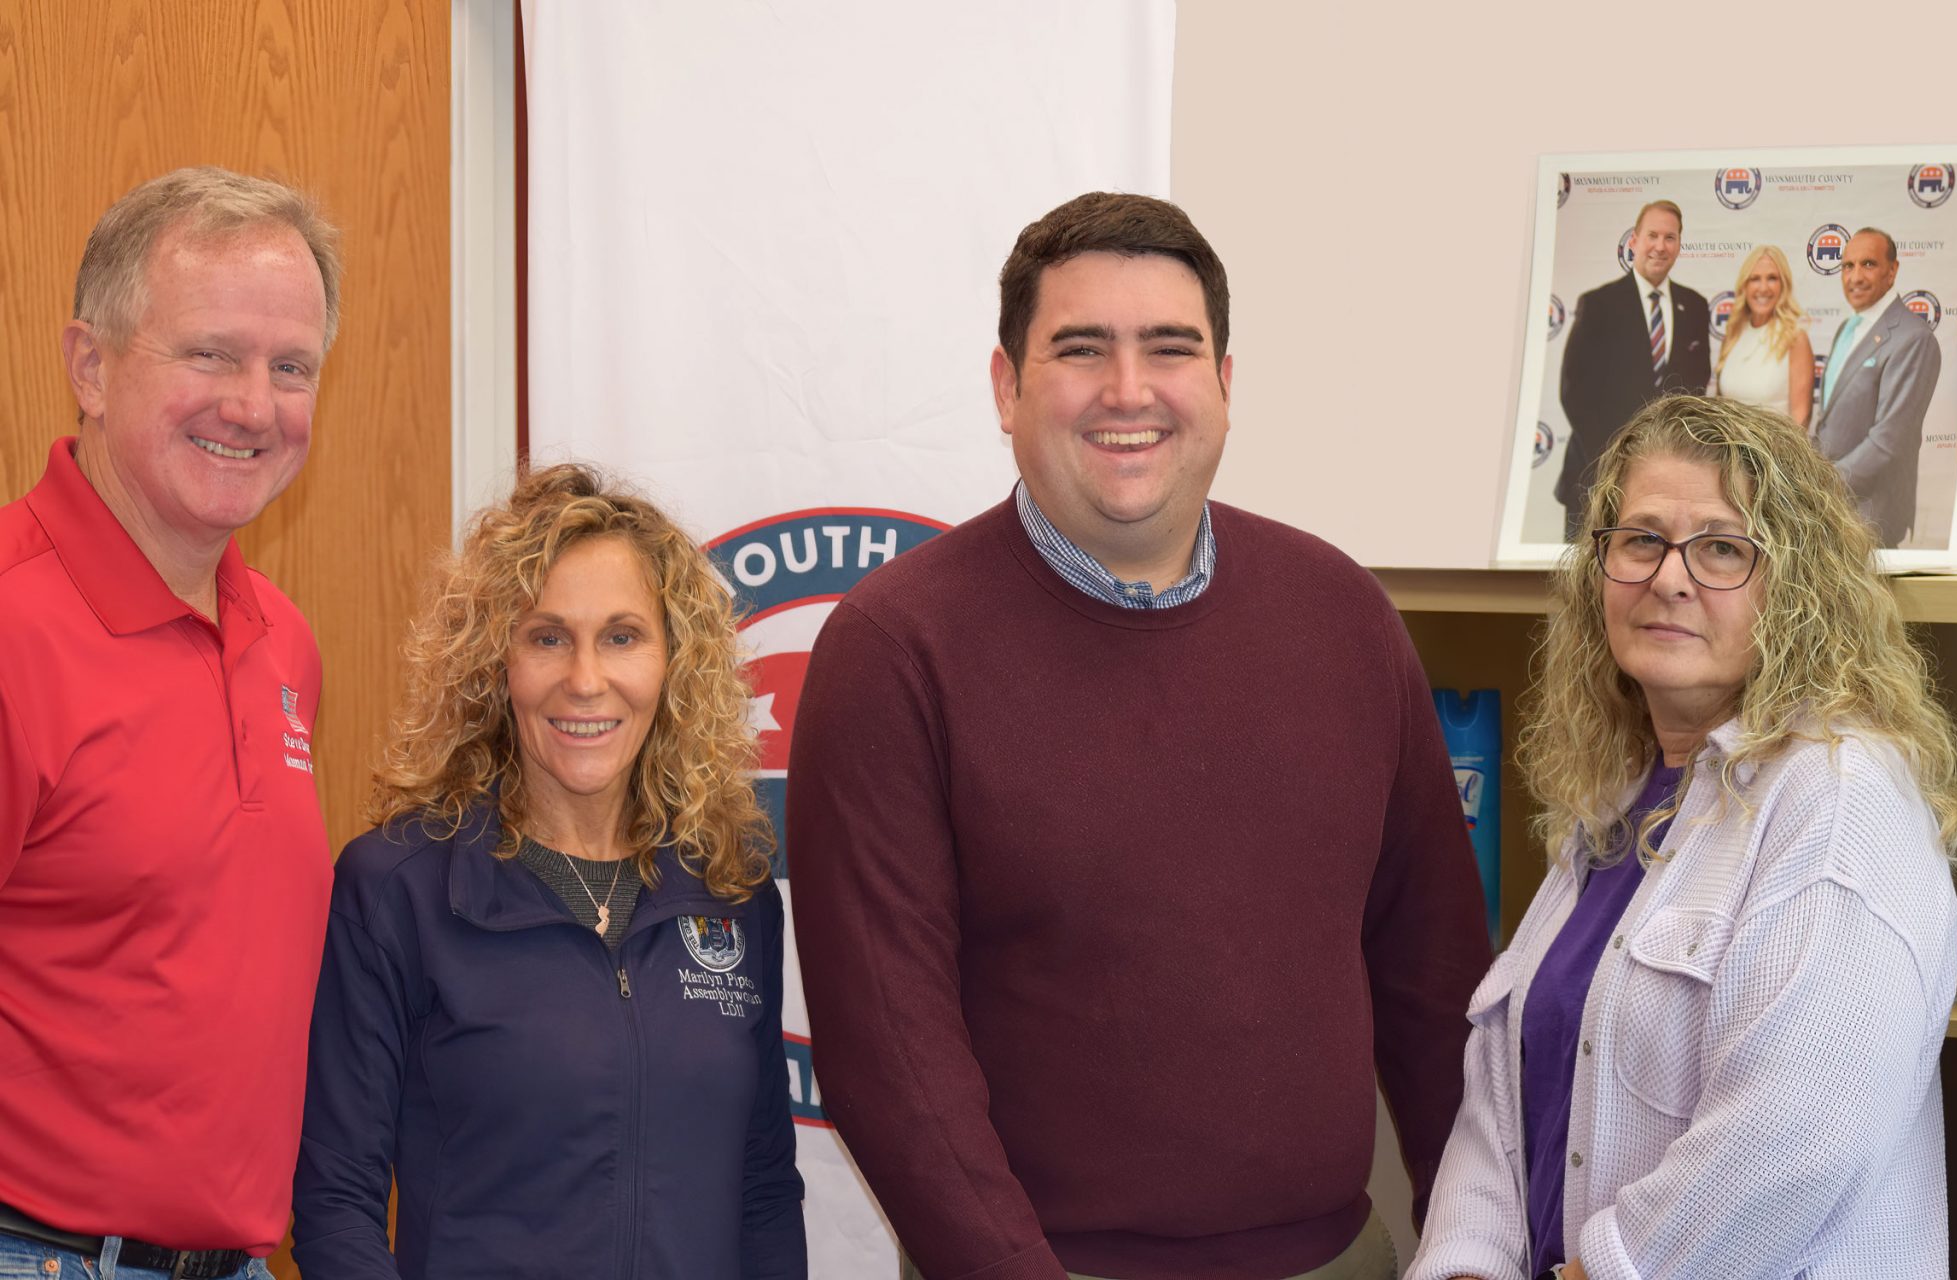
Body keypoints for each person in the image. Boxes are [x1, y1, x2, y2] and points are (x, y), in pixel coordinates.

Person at [787, 192, 1490, 1280]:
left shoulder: (1343, 615)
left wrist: (1476, 1248)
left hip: (1335, 1256)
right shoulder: (894, 649)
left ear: (1222, 382)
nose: (1129, 390)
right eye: (1080, 349)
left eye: (1170, 347)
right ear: (1006, 387)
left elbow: (1436, 985)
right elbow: (891, 1053)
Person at [1412, 394, 1957, 1279]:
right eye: (1640, 540)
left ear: (1797, 588)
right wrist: (1464, 1263)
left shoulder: (1840, 796)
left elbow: (1791, 1141)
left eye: (1721, 548)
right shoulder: (1616, 799)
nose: (1669, 577)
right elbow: (1504, 1101)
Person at [291, 466, 806, 1278]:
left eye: (623, 636)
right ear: (496, 664)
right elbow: (336, 1203)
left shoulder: (733, 894)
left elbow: (765, 1189)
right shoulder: (399, 888)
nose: (586, 680)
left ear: (674, 663)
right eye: (547, 636)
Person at [0, 166, 339, 1279]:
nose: (254, 403)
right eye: (210, 352)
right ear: (89, 367)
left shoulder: (282, 638)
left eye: (291, 367)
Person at [1557, 200, 1716, 533]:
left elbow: (1695, 385)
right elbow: (1575, 392)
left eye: (1670, 238)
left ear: (1679, 245)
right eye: (1652, 235)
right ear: (1634, 241)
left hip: (1665, 486)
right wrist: (1621, 462)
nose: (1660, 246)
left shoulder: (1696, 306)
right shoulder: (1599, 304)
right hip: (1595, 475)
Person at [1811, 228, 1940, 548]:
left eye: (1868, 264)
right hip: (1832, 515)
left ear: (1892, 271)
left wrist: (1821, 485)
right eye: (1847, 266)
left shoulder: (1913, 337)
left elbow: (1889, 440)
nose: (1855, 277)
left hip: (1871, 518)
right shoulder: (1848, 327)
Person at [1711, 245, 1815, 426]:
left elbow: (1801, 417)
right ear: (1745, 285)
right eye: (1755, 279)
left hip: (1774, 452)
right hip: (1729, 451)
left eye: (1772, 278)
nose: (1763, 287)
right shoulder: (1733, 334)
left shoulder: (1795, 339)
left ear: (1783, 284)